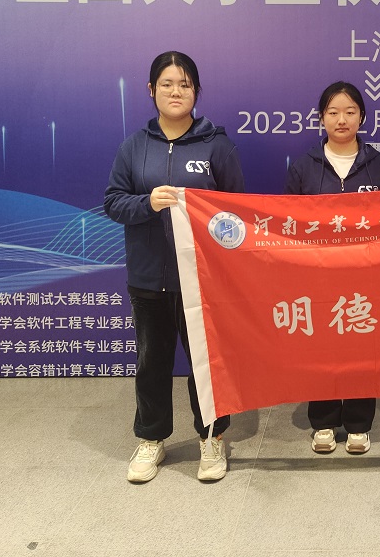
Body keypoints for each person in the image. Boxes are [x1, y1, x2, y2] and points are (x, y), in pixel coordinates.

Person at [104, 50, 244, 483]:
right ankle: (152, 438)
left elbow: (236, 212)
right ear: (151, 90)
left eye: (185, 84)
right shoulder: (134, 146)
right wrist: (147, 203)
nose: (176, 91)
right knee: (151, 364)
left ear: (196, 91)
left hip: (202, 281)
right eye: (167, 83)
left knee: (206, 365)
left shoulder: (216, 144)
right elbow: (113, 202)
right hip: (148, 278)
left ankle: (211, 437)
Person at [284, 80, 380, 455]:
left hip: (366, 276)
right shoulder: (303, 168)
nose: (342, 119)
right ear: (321, 118)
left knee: (363, 347)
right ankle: (324, 421)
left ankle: (359, 423)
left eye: (350, 112)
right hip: (318, 277)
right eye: (333, 112)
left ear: (362, 117)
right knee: (322, 349)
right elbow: (289, 224)